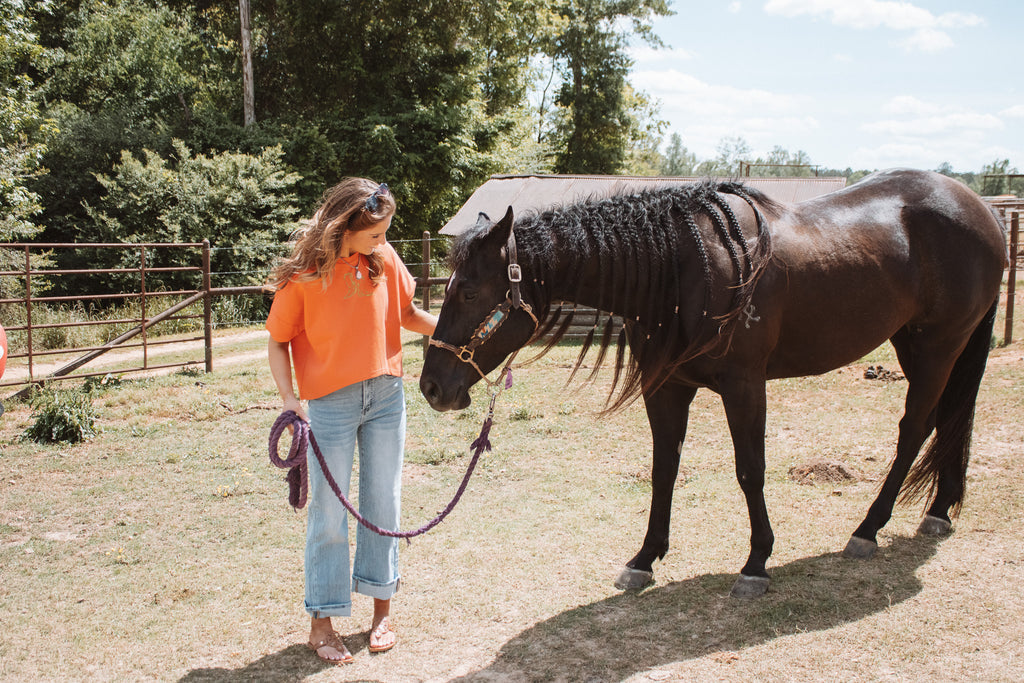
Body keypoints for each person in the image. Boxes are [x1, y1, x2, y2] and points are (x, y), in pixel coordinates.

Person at [265, 178, 437, 664]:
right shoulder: (304, 276)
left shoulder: (384, 260)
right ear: (346, 227)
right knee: (329, 512)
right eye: (376, 234)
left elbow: (406, 314)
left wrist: (458, 331)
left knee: (384, 504)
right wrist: (289, 399)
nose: (383, 242)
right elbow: (277, 340)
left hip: (386, 395)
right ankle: (322, 622)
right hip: (330, 405)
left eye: (385, 234)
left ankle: (382, 612)